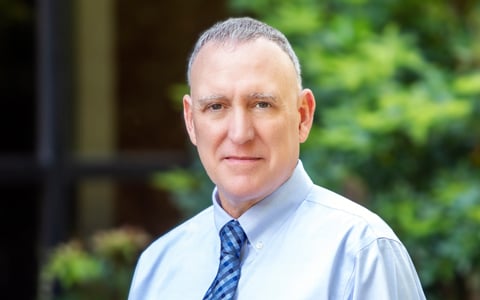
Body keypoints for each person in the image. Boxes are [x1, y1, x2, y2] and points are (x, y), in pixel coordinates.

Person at [128, 17, 426, 299]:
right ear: (191, 122)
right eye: (216, 107)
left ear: (303, 116)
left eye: (261, 104)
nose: (240, 133)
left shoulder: (361, 253)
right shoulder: (157, 267)